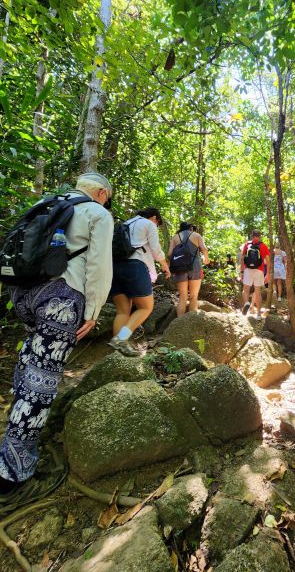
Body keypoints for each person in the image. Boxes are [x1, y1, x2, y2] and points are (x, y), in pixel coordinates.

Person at [0, 172, 114, 495]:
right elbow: (99, 267)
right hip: (60, 301)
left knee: (29, 362)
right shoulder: (97, 213)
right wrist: (92, 311)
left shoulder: (48, 201)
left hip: (22, 294)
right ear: (102, 193)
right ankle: (12, 471)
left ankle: (14, 432)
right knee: (41, 380)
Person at [109, 207, 171, 357]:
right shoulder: (148, 224)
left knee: (122, 311)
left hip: (114, 267)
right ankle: (121, 338)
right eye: (158, 223)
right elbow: (156, 250)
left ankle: (117, 353)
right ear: (154, 218)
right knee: (146, 307)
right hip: (135, 267)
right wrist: (165, 266)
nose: (156, 225)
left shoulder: (125, 224)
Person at [168, 222, 209, 317]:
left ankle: (179, 324)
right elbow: (204, 249)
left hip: (179, 268)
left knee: (182, 298)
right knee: (194, 296)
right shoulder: (196, 235)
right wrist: (206, 259)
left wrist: (170, 267)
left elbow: (169, 254)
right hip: (195, 266)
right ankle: (191, 324)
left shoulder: (175, 237)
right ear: (190, 228)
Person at [241, 229, 270, 320]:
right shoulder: (263, 246)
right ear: (260, 236)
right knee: (258, 292)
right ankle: (258, 314)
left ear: (252, 236)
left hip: (248, 270)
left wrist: (241, 272)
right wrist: (268, 273)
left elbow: (242, 258)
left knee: (246, 290)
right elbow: (268, 261)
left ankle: (246, 303)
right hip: (259, 270)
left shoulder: (247, 244)